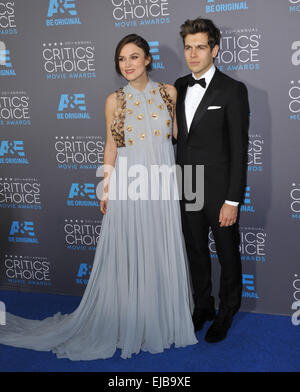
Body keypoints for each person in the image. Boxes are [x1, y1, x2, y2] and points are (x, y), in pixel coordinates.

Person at [0, 34, 197, 360]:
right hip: (128, 185)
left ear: (148, 59)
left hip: (161, 184)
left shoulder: (169, 92)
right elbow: (110, 146)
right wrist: (105, 184)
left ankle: (160, 318)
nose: (128, 64)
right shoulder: (114, 100)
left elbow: (178, 135)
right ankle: (129, 319)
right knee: (130, 249)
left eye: (134, 57)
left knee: (159, 246)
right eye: (122, 59)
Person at [174, 18, 250, 343]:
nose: (193, 54)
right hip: (187, 183)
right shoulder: (176, 87)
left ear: (214, 49)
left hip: (220, 191)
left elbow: (239, 149)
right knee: (195, 251)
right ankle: (202, 306)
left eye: (200, 47)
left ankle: (226, 311)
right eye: (188, 47)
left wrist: (233, 199)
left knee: (227, 253)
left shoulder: (232, 90)